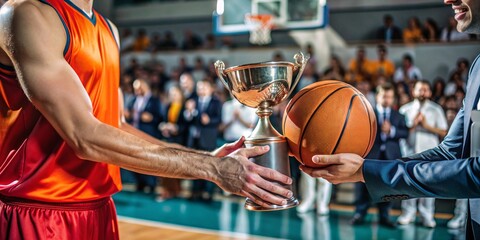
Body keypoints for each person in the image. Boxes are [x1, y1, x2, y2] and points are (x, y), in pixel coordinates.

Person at [0, 1, 293, 239]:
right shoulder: (26, 14)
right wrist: (212, 168)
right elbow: (84, 136)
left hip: (100, 209)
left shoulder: (108, 29)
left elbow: (115, 126)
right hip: (38, 209)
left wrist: (204, 157)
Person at [301, 0, 480, 238]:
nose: (448, 0)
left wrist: (369, 172)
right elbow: (451, 152)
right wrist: (369, 170)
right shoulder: (477, 67)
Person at [350, 83, 408, 228]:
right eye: (383, 96)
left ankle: (385, 216)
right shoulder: (368, 113)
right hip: (370, 155)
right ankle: (359, 213)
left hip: (390, 156)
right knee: (363, 185)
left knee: (387, 187)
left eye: (389, 96)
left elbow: (405, 132)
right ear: (377, 96)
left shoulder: (399, 115)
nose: (386, 99)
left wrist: (391, 131)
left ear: (393, 98)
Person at [397, 80, 448, 228]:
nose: (422, 92)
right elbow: (401, 132)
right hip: (409, 152)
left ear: (430, 92)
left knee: (428, 185)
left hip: (429, 152)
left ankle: (427, 215)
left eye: (425, 89)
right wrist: (413, 125)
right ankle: (408, 213)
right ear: (414, 91)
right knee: (407, 184)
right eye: (420, 89)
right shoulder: (404, 110)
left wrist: (426, 126)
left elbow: (443, 131)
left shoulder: (436, 109)